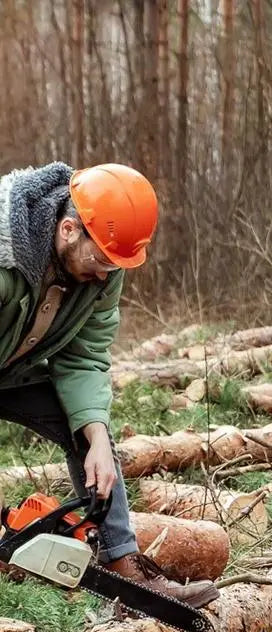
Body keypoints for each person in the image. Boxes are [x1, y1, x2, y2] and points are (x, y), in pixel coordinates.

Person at [0, 162, 218, 607]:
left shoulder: (103, 267)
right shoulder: (5, 256)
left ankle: (123, 562)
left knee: (85, 429)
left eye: (114, 265)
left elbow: (83, 357)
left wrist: (96, 435)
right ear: (67, 229)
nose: (104, 275)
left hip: (11, 371)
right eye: (99, 260)